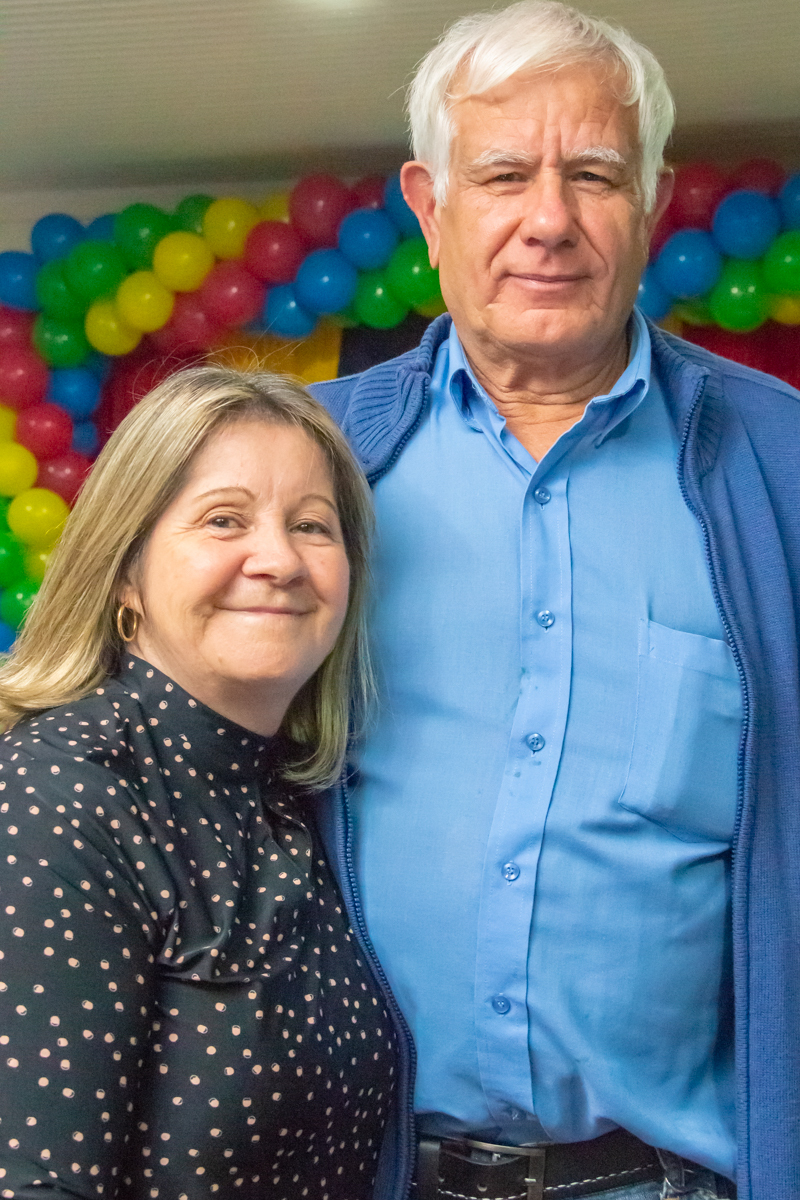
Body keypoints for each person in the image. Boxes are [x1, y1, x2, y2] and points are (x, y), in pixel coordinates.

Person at [311, 4, 800, 1200]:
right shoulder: (300, 470)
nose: (547, 220)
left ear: (651, 199)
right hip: (347, 1173)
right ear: (428, 205)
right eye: (501, 176)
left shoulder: (782, 467)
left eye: (591, 174)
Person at [0, 366, 413, 1200]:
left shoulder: (294, 797)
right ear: (125, 567)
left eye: (312, 526)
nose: (279, 560)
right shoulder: (60, 797)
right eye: (224, 519)